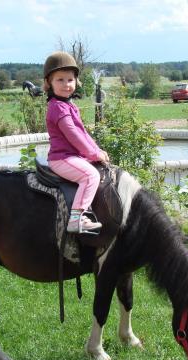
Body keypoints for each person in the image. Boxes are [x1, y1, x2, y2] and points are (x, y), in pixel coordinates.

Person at [43, 51, 109, 234]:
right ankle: (76, 220)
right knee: (90, 176)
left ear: (76, 81)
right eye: (60, 80)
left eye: (70, 80)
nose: (66, 85)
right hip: (61, 159)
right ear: (49, 83)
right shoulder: (57, 108)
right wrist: (94, 154)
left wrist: (97, 149)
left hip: (72, 156)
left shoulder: (69, 105)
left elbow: (83, 133)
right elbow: (73, 135)